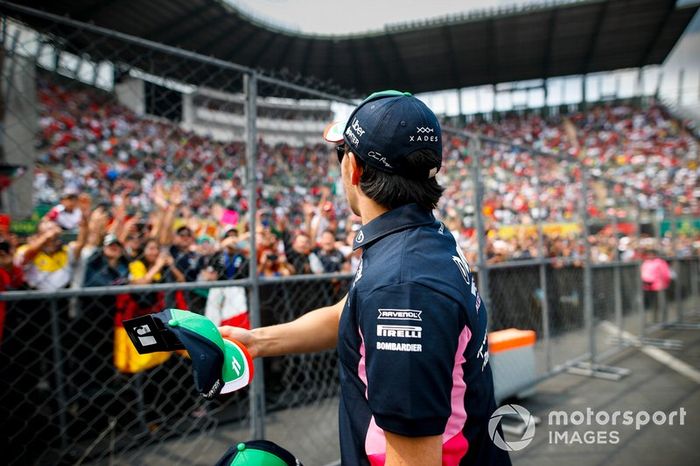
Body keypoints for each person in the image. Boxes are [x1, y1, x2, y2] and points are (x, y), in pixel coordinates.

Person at [220, 90, 510, 466]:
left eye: (341, 153)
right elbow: (349, 313)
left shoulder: (401, 286)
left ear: (353, 168)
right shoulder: (416, 240)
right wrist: (256, 341)